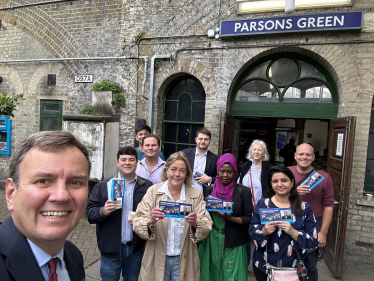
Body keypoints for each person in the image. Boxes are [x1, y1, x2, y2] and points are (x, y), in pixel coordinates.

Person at [0, 131, 90, 281]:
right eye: (43, 181)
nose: (61, 196)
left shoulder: (73, 256)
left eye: (75, 182)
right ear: (11, 194)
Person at [133, 151, 212, 281]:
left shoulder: (195, 194)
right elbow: (137, 220)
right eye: (173, 169)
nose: (177, 174)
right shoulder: (154, 191)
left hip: (185, 257)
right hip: (157, 256)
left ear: (187, 174)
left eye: (182, 171)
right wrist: (151, 220)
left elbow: (207, 224)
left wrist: (195, 222)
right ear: (166, 171)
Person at [86, 146, 153, 281]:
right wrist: (103, 211)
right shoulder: (103, 185)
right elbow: (89, 214)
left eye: (131, 160)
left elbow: (153, 215)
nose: (127, 163)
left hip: (136, 250)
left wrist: (146, 220)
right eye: (123, 159)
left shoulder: (147, 186)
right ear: (117, 162)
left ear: (137, 162)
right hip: (110, 250)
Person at [250, 166, 319, 281]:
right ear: (271, 184)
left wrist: (295, 233)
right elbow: (252, 233)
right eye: (275, 181)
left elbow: (313, 241)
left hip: (294, 268)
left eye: (284, 180)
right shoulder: (263, 205)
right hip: (264, 266)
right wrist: (264, 232)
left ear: (292, 183)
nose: (280, 184)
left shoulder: (304, 208)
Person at [199, 153, 253, 281]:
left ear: (235, 173)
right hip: (212, 239)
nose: (225, 175)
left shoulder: (243, 191)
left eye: (229, 172)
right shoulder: (210, 190)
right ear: (217, 171)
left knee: (232, 274)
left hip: (234, 240)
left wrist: (231, 219)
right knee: (212, 272)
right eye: (222, 171)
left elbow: (249, 217)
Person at [288, 143, 334, 281]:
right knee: (286, 262)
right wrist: (293, 192)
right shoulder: (286, 173)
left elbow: (329, 206)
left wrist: (323, 233)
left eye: (308, 154)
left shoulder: (323, 177)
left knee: (310, 266)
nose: (304, 157)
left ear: (313, 157)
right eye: (301, 154)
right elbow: (273, 198)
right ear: (295, 156)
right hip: (288, 222)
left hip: (313, 225)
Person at [237, 139, 273, 264]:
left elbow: (272, 187)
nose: (256, 152)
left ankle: (261, 263)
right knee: (246, 236)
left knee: (261, 235)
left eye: (259, 150)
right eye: (254, 149)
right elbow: (239, 184)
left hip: (262, 208)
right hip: (246, 208)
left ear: (264, 153)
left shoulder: (269, 168)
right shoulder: (245, 166)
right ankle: (245, 264)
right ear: (250, 152)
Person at [182, 127, 219, 195]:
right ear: (196, 139)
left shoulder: (215, 159)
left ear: (210, 141)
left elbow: (220, 178)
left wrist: (209, 179)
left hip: (203, 196)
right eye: (200, 139)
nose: (203, 141)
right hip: (184, 193)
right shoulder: (185, 154)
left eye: (206, 139)